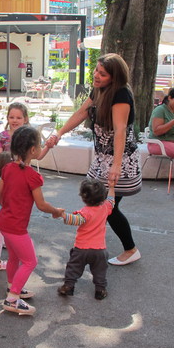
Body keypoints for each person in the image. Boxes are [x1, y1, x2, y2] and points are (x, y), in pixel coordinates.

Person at [50, 53, 141, 266]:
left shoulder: (121, 94)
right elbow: (81, 113)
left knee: (107, 208)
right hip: (102, 157)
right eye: (96, 71)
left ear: (114, 77)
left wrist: (116, 165)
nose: (96, 76)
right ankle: (92, 242)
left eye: (103, 74)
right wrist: (59, 133)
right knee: (98, 203)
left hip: (120, 157)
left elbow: (120, 130)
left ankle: (130, 249)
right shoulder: (99, 90)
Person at [0, 126, 63, 315]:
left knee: (15, 258)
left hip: (3, 222)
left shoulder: (8, 168)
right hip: (16, 227)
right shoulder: (32, 176)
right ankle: (12, 299)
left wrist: (6, 206)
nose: (41, 147)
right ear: (32, 150)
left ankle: (12, 287)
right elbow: (41, 205)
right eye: (40, 144)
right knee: (30, 261)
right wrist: (56, 211)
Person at [57, 179, 115, 300]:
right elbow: (112, 201)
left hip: (81, 248)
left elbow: (73, 220)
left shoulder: (85, 212)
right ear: (103, 197)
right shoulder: (105, 207)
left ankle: (68, 285)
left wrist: (62, 214)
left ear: (83, 197)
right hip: (100, 250)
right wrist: (112, 187)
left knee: (73, 267)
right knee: (100, 270)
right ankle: (100, 290)